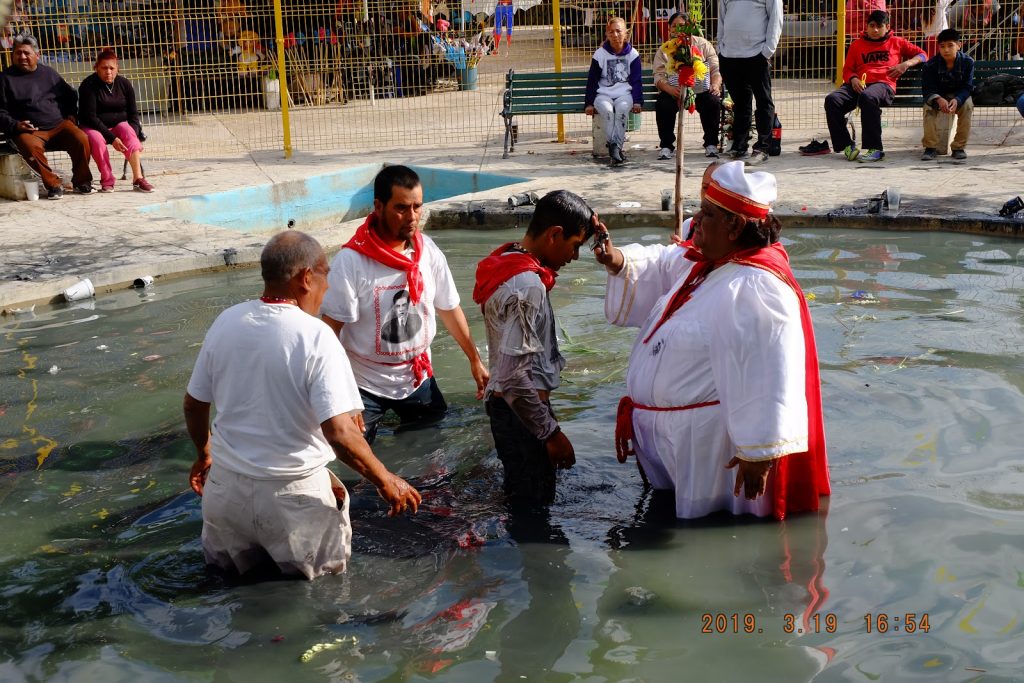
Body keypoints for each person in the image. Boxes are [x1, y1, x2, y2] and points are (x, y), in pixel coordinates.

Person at [595, 161, 830, 520]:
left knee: (709, 532)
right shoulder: (709, 263)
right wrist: (616, 259)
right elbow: (664, 260)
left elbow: (771, 370)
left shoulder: (756, 285)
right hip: (679, 445)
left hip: (708, 454)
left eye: (705, 213)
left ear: (734, 225)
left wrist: (758, 450)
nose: (696, 221)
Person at [184, 230, 422, 580]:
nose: (328, 288)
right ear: (306, 278)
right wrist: (385, 480)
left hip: (225, 493)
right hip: (294, 500)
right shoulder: (316, 336)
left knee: (228, 591)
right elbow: (341, 433)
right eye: (326, 274)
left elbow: (193, 403)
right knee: (319, 600)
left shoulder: (226, 321)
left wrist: (204, 452)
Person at [321, 165, 489, 444]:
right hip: (363, 383)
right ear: (378, 206)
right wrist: (343, 398)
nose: (412, 217)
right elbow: (328, 335)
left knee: (434, 451)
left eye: (417, 207)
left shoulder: (428, 252)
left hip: (416, 374)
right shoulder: (351, 262)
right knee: (356, 462)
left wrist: (475, 360)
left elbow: (448, 308)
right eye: (401, 208)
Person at [471, 190, 595, 504]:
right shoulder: (528, 286)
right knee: (534, 512)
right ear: (555, 234)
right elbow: (514, 377)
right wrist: (550, 433)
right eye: (575, 246)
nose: (575, 257)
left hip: (508, 409)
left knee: (519, 495)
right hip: (521, 412)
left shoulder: (506, 261)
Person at [823, 10, 926, 163]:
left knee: (868, 97)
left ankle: (875, 149)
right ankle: (847, 146)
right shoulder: (857, 45)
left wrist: (906, 64)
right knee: (832, 100)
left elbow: (923, 54)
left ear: (887, 26)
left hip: (883, 86)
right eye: (871, 26)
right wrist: (853, 79)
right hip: (859, 86)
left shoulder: (897, 42)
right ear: (867, 27)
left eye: (879, 26)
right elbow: (847, 69)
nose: (875, 30)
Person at [0, 34, 92, 199]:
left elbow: (70, 95)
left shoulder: (49, 73)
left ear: (37, 55)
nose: (22, 57)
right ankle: (53, 185)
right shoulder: (4, 79)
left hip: (59, 125)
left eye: (26, 53)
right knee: (29, 147)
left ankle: (82, 181)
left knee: (81, 138)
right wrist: (15, 125)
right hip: (30, 131)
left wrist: (71, 114)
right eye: (18, 53)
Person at [78, 49, 154, 193]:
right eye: (104, 68)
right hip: (93, 126)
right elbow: (91, 117)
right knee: (96, 138)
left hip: (118, 124)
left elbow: (133, 115)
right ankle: (107, 180)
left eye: (112, 68)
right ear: (96, 68)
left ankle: (138, 178)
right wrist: (112, 138)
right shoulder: (88, 85)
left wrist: (134, 134)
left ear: (117, 68)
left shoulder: (124, 84)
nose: (108, 72)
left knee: (128, 129)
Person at [717, 0, 782, 164]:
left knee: (763, 101)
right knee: (740, 103)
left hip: (757, 54)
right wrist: (721, 49)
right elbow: (722, 19)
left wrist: (767, 51)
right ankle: (739, 146)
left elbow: (776, 19)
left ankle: (762, 147)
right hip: (729, 56)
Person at [654, 12, 723, 160]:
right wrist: (669, 89)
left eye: (683, 26)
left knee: (713, 101)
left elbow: (715, 69)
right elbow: (658, 76)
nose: (678, 30)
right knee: (662, 104)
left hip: (701, 90)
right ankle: (666, 146)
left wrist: (715, 85)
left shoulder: (703, 45)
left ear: (690, 28)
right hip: (674, 91)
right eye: (674, 26)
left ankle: (711, 144)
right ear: (669, 29)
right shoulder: (664, 49)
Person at [584, 17, 643, 166]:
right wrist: (589, 103)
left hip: (625, 94)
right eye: (611, 32)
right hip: (603, 94)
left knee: (622, 109)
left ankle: (614, 148)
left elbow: (636, 80)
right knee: (607, 111)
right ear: (607, 34)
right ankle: (616, 148)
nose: (615, 35)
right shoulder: (599, 54)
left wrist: (637, 101)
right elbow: (592, 80)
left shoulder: (633, 54)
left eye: (618, 31)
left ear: (625, 33)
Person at [920, 28, 973, 160]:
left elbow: (967, 86)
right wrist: (938, 99)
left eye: (950, 45)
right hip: (938, 97)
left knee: (967, 106)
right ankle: (930, 147)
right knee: (928, 110)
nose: (946, 50)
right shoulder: (930, 65)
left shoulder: (968, 62)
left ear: (959, 46)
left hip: (959, 96)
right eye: (942, 46)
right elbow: (927, 89)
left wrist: (958, 100)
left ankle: (958, 147)